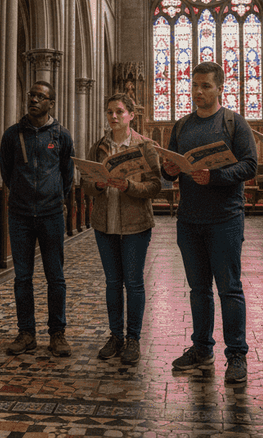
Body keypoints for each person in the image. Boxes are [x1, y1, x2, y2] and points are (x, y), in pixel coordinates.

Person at [161, 61, 258, 384]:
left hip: (225, 220)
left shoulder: (234, 123)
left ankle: (237, 355)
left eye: (205, 86)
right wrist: (169, 171)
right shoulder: (182, 126)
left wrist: (215, 176)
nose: (198, 91)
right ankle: (202, 347)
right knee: (198, 289)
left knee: (229, 289)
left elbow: (250, 166)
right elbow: (170, 167)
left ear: (220, 88)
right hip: (189, 220)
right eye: (195, 85)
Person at [0, 80, 75, 357]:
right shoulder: (12, 134)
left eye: (40, 96)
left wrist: (54, 196)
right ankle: (26, 332)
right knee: (23, 277)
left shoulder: (61, 136)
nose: (34, 100)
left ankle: (57, 333)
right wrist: (21, 193)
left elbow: (68, 174)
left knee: (56, 277)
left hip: (51, 214)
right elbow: (6, 171)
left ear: (51, 103)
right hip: (19, 214)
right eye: (31, 95)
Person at [84, 92, 161, 364]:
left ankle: (133, 339)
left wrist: (130, 186)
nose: (113, 117)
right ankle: (115, 336)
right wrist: (98, 185)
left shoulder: (145, 146)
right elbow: (87, 185)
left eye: (118, 111)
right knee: (113, 283)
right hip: (105, 223)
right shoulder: (99, 147)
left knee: (134, 282)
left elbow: (155, 186)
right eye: (109, 112)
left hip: (135, 224)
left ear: (131, 115)